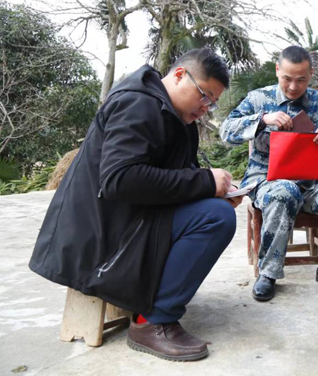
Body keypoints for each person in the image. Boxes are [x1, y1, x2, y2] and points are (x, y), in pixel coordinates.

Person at [29, 48, 240, 361]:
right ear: (180, 75)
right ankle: (153, 322)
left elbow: (170, 176)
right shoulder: (137, 104)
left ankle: (156, 305)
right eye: (204, 96)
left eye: (212, 103)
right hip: (100, 238)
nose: (205, 108)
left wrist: (213, 190)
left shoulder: (173, 114)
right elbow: (120, 180)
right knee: (217, 218)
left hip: (129, 219)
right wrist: (206, 182)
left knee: (214, 209)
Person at [220, 45, 318, 302]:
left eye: (301, 80)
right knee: (285, 191)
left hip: (311, 183)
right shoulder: (258, 99)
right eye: (287, 79)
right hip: (268, 180)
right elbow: (226, 132)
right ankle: (268, 273)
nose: (294, 87)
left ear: (311, 75)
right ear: (277, 70)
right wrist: (262, 119)